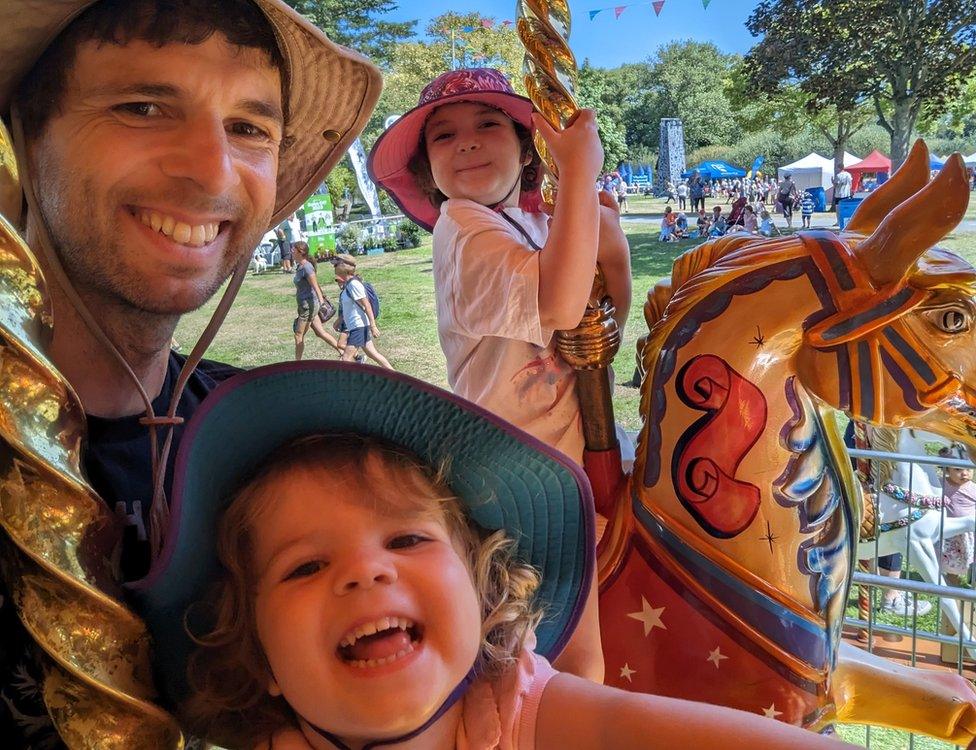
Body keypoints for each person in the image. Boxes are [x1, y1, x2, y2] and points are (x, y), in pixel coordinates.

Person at [0, 0, 381, 745]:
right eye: (142, 106)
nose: (213, 168)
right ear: (23, 142)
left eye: (249, 128)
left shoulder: (274, 451)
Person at [132, 362, 856, 750]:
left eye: (408, 539)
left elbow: (630, 726)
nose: (366, 571)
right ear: (260, 660)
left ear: (483, 597)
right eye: (305, 566)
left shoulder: (514, 717)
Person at [368, 67, 630, 682]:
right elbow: (562, 305)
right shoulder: (464, 225)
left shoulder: (538, 224)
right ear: (428, 170)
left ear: (525, 147)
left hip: (573, 452)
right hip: (520, 472)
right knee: (574, 650)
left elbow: (605, 310)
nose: (467, 141)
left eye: (489, 124)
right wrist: (583, 176)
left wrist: (606, 239)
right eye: (444, 135)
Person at [334, 261, 393, 369]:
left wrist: (373, 326)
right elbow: (350, 307)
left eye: (336, 265)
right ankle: (395, 375)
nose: (334, 267)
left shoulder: (353, 284)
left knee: (346, 359)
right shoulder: (348, 285)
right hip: (356, 326)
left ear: (344, 268)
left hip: (358, 327)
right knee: (372, 354)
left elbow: (367, 305)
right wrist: (339, 321)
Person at [292, 241, 342, 361]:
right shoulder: (300, 266)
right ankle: (344, 352)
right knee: (320, 333)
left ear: (300, 252)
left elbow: (315, 286)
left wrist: (322, 303)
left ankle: (297, 365)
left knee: (298, 335)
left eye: (293, 250)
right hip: (306, 305)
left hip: (308, 307)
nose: (291, 252)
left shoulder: (307, 267)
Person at [939, 447, 976, 586]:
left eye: (968, 469)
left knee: (972, 563)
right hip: (951, 534)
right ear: (946, 470)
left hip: (970, 535)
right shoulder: (940, 484)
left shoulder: (973, 488)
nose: (964, 474)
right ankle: (952, 589)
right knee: (951, 564)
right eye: (958, 469)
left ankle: (972, 592)